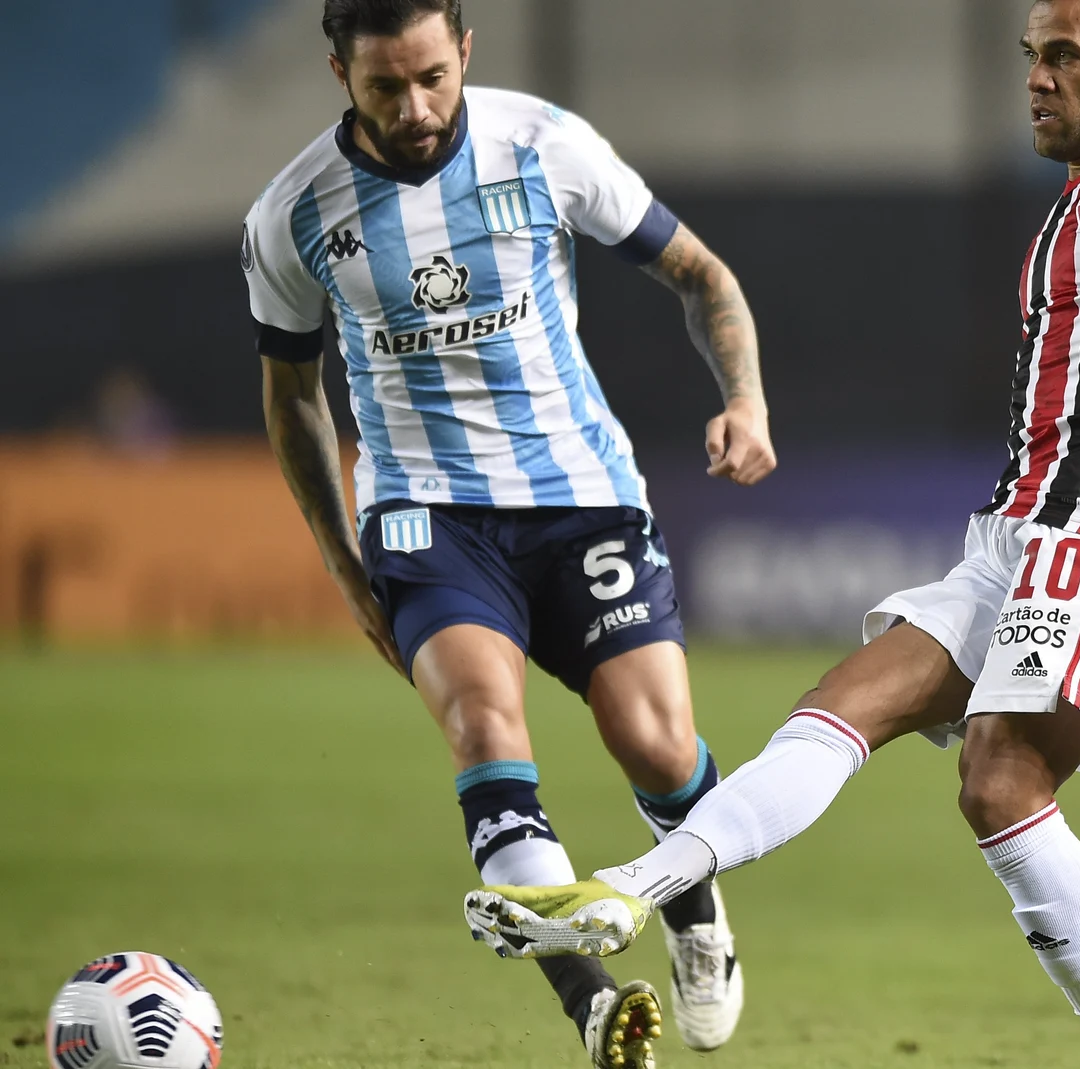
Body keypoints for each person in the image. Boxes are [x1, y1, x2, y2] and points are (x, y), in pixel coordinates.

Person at [465, 0, 1080, 1065]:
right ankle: (626, 892)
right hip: (1018, 538)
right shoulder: (1073, 212)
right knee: (838, 706)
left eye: (1064, 57)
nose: (1035, 76)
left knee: (998, 779)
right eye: (1030, 55)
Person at [245, 2, 770, 1065]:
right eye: (385, 86)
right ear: (338, 70)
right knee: (488, 733)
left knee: (659, 745)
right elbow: (292, 396)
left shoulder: (544, 145)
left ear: (466, 52)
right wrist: (349, 570)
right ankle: (589, 1004)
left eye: (432, 77)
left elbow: (702, 274)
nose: (416, 107)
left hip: (578, 492)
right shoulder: (291, 216)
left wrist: (745, 399)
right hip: (425, 514)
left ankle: (697, 919)